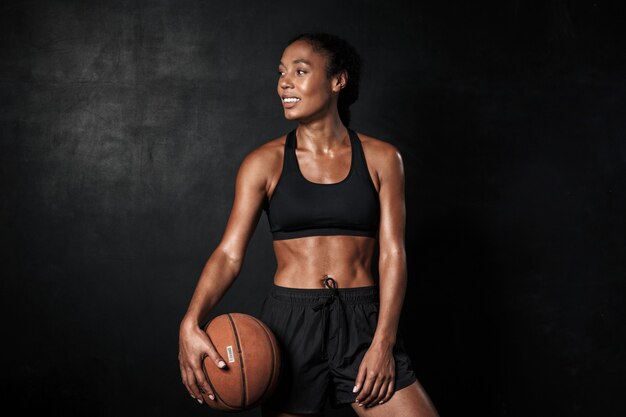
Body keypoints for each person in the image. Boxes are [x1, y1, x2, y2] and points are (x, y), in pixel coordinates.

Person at [178, 32, 441, 417]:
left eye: (300, 71)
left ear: (338, 81)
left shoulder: (383, 158)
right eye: (282, 72)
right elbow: (230, 254)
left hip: (363, 321)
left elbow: (393, 254)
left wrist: (382, 342)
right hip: (290, 327)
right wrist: (191, 319)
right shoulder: (263, 163)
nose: (285, 82)